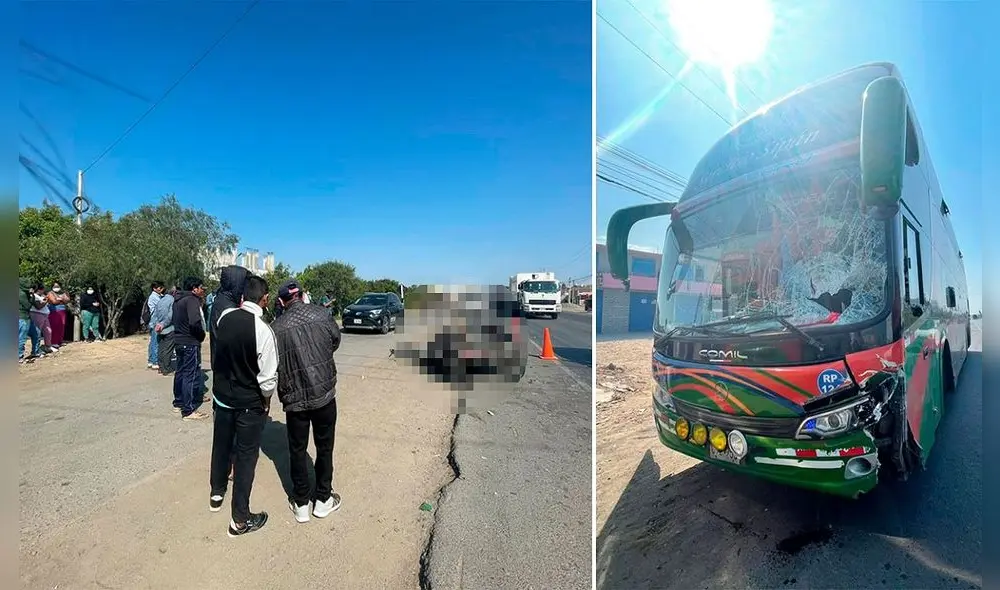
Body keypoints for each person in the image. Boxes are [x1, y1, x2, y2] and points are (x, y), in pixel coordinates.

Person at [209, 274, 276, 537]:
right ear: (265, 299)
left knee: (221, 444)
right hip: (249, 404)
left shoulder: (224, 318)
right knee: (246, 458)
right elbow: (268, 380)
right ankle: (240, 519)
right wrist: (266, 401)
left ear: (241, 297)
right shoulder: (263, 330)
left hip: (223, 398)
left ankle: (216, 492)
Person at [271, 279, 342, 522]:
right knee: (325, 448)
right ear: (301, 295)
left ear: (282, 301)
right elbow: (335, 341)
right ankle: (323, 499)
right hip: (324, 395)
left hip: (294, 400)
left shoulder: (276, 328)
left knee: (297, 450)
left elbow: (273, 362)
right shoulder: (323, 315)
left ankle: (301, 503)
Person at [172, 276, 210, 420]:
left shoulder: (177, 299)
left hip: (179, 340)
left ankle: (178, 402)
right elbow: (195, 322)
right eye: (201, 288)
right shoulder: (192, 300)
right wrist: (200, 336)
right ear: (194, 288)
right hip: (190, 341)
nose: (202, 290)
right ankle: (188, 410)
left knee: (180, 372)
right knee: (189, 374)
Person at [209, 265, 250, 372]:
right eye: (244, 285)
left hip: (222, 365)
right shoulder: (228, 308)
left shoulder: (222, 299)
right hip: (228, 369)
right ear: (237, 284)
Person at [152, 286, 178, 375]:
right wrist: (163, 324)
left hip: (160, 328)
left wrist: (157, 324)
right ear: (174, 292)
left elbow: (155, 314)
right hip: (169, 328)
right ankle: (166, 369)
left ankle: (161, 367)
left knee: (161, 348)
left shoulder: (161, 300)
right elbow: (171, 315)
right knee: (168, 349)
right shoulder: (172, 301)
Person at [18, 278, 42, 362]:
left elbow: (31, 302)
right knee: (22, 337)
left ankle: (35, 352)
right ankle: (19, 356)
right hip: (22, 318)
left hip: (27, 317)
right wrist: (32, 295)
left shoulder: (25, 292)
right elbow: (28, 306)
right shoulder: (21, 294)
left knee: (36, 333)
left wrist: (32, 295)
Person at [29, 284, 56, 354]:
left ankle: (48, 346)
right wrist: (46, 301)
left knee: (48, 331)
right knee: (37, 332)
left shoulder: (41, 296)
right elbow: (38, 306)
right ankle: (36, 350)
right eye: (43, 289)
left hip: (45, 315)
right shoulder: (33, 296)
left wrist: (46, 300)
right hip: (37, 315)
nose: (44, 291)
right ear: (39, 290)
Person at [145, 281, 165, 370]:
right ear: (154, 288)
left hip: (155, 321)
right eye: (160, 288)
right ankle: (155, 361)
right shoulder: (154, 297)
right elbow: (161, 306)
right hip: (155, 321)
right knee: (156, 341)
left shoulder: (158, 296)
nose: (162, 289)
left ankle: (151, 360)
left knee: (153, 341)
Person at [46, 281, 70, 347]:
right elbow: (54, 301)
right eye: (55, 286)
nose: (56, 288)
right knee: (54, 326)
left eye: (58, 286)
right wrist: (62, 299)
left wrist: (60, 299)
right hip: (54, 311)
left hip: (62, 311)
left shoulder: (63, 292)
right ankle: (54, 342)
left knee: (62, 325)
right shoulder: (50, 293)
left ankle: (60, 341)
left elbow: (67, 300)